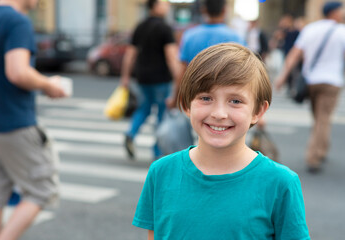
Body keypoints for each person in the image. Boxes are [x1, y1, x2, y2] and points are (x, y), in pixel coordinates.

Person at [133, 43, 310, 239]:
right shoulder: (161, 172)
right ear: (186, 104)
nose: (219, 114)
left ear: (258, 111)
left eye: (235, 101)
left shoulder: (281, 183)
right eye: (206, 98)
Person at [0, 0, 67, 239]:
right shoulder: (16, 21)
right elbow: (18, 71)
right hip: (14, 121)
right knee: (42, 190)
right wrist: (48, 84)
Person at [275, 1, 345, 173]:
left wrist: (282, 76)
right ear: (334, 12)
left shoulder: (310, 29)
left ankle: (322, 148)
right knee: (323, 119)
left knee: (318, 117)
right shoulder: (342, 32)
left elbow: (294, 54)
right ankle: (314, 157)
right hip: (331, 81)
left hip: (311, 81)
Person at [120, 0, 179, 160]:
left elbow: (130, 55)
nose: (167, 6)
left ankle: (130, 133)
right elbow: (171, 57)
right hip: (161, 78)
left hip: (142, 78)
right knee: (162, 113)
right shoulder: (165, 28)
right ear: (155, 6)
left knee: (144, 107)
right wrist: (179, 77)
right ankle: (158, 151)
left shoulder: (140, 26)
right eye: (164, 3)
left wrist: (125, 77)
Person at [167, 0, 244, 109]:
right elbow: (244, 74)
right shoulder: (236, 38)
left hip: (195, 97)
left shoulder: (190, 36)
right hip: (225, 101)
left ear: (204, 10)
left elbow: (182, 72)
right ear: (224, 10)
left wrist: (175, 99)